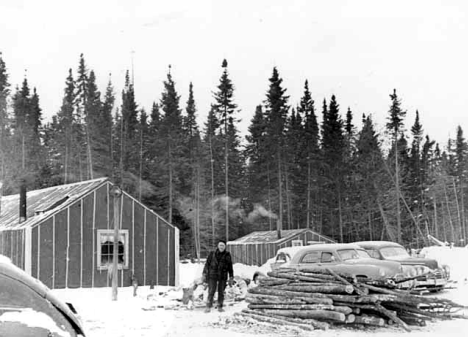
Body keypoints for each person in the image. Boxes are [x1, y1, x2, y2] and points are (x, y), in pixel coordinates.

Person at [202, 239, 234, 313]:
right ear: (218, 246)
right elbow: (207, 264)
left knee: (221, 292)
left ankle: (220, 306)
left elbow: (230, 267)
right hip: (212, 275)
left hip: (222, 276)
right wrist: (204, 273)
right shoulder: (212, 254)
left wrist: (231, 276)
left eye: (223, 245)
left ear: (225, 246)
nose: (221, 247)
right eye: (220, 245)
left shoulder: (227, 255)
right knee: (211, 291)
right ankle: (208, 306)